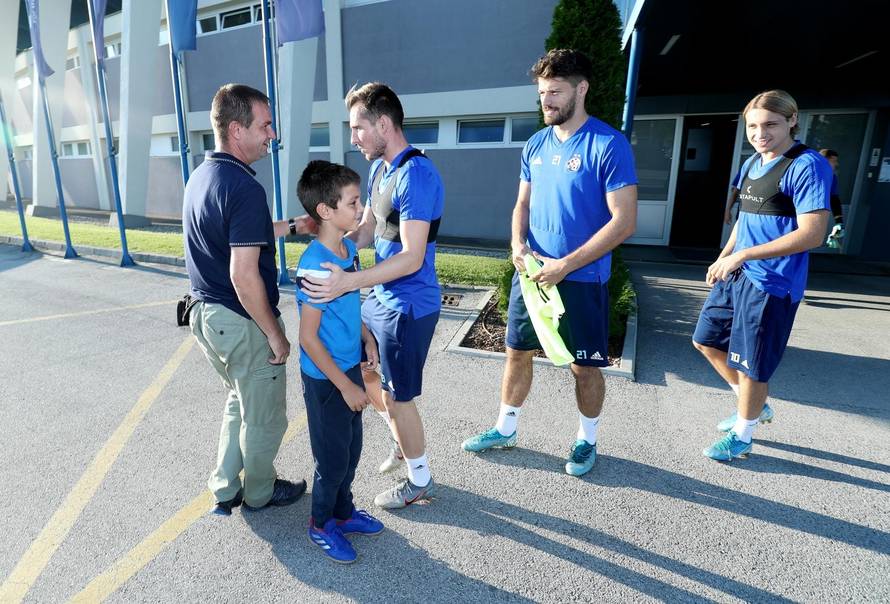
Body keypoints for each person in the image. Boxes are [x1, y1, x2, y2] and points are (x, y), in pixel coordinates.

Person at [460, 48, 638, 477]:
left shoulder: (608, 144)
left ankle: (586, 439)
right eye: (542, 93)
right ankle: (505, 428)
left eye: (555, 92)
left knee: (583, 367)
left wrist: (566, 265)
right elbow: (522, 203)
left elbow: (625, 222)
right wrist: (517, 244)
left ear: (581, 89)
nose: (547, 102)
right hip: (534, 277)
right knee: (516, 353)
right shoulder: (536, 143)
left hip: (581, 279)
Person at [300, 82, 444, 509]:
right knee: (368, 375)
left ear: (383, 123)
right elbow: (365, 231)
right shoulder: (382, 169)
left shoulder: (416, 175)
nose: (353, 138)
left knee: (400, 396)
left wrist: (346, 283)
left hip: (407, 306)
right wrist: (335, 254)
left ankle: (420, 479)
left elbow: (413, 257)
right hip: (379, 299)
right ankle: (403, 441)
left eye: (357, 128)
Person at [183, 83, 312, 515]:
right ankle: (259, 493)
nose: (271, 134)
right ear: (237, 130)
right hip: (241, 321)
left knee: (239, 400)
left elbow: (243, 233)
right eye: (265, 125)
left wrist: (294, 226)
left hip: (206, 317)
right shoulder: (243, 188)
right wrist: (274, 334)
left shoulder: (203, 177)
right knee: (266, 418)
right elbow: (243, 274)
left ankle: (224, 486)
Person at [693, 90, 832, 461]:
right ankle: (753, 405)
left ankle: (743, 435)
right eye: (752, 126)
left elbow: (812, 233)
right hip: (738, 273)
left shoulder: (807, 165)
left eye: (770, 124)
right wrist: (725, 256)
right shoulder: (753, 163)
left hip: (773, 283)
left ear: (792, 120)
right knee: (705, 340)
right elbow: (746, 218)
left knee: (752, 364)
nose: (760, 133)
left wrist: (742, 255)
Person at [295, 160, 385, 563]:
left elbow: (350, 303)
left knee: (350, 450)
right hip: (326, 375)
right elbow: (308, 338)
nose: (360, 207)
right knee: (331, 460)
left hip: (349, 365)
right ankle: (320, 523)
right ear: (325, 212)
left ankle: (343, 513)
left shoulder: (347, 249)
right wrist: (346, 386)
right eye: (353, 202)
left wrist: (366, 337)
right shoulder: (313, 265)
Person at [818, 148, 846, 248]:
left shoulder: (831, 177)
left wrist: (839, 222)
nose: (836, 164)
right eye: (833, 161)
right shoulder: (806, 172)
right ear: (824, 160)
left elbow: (834, 199)